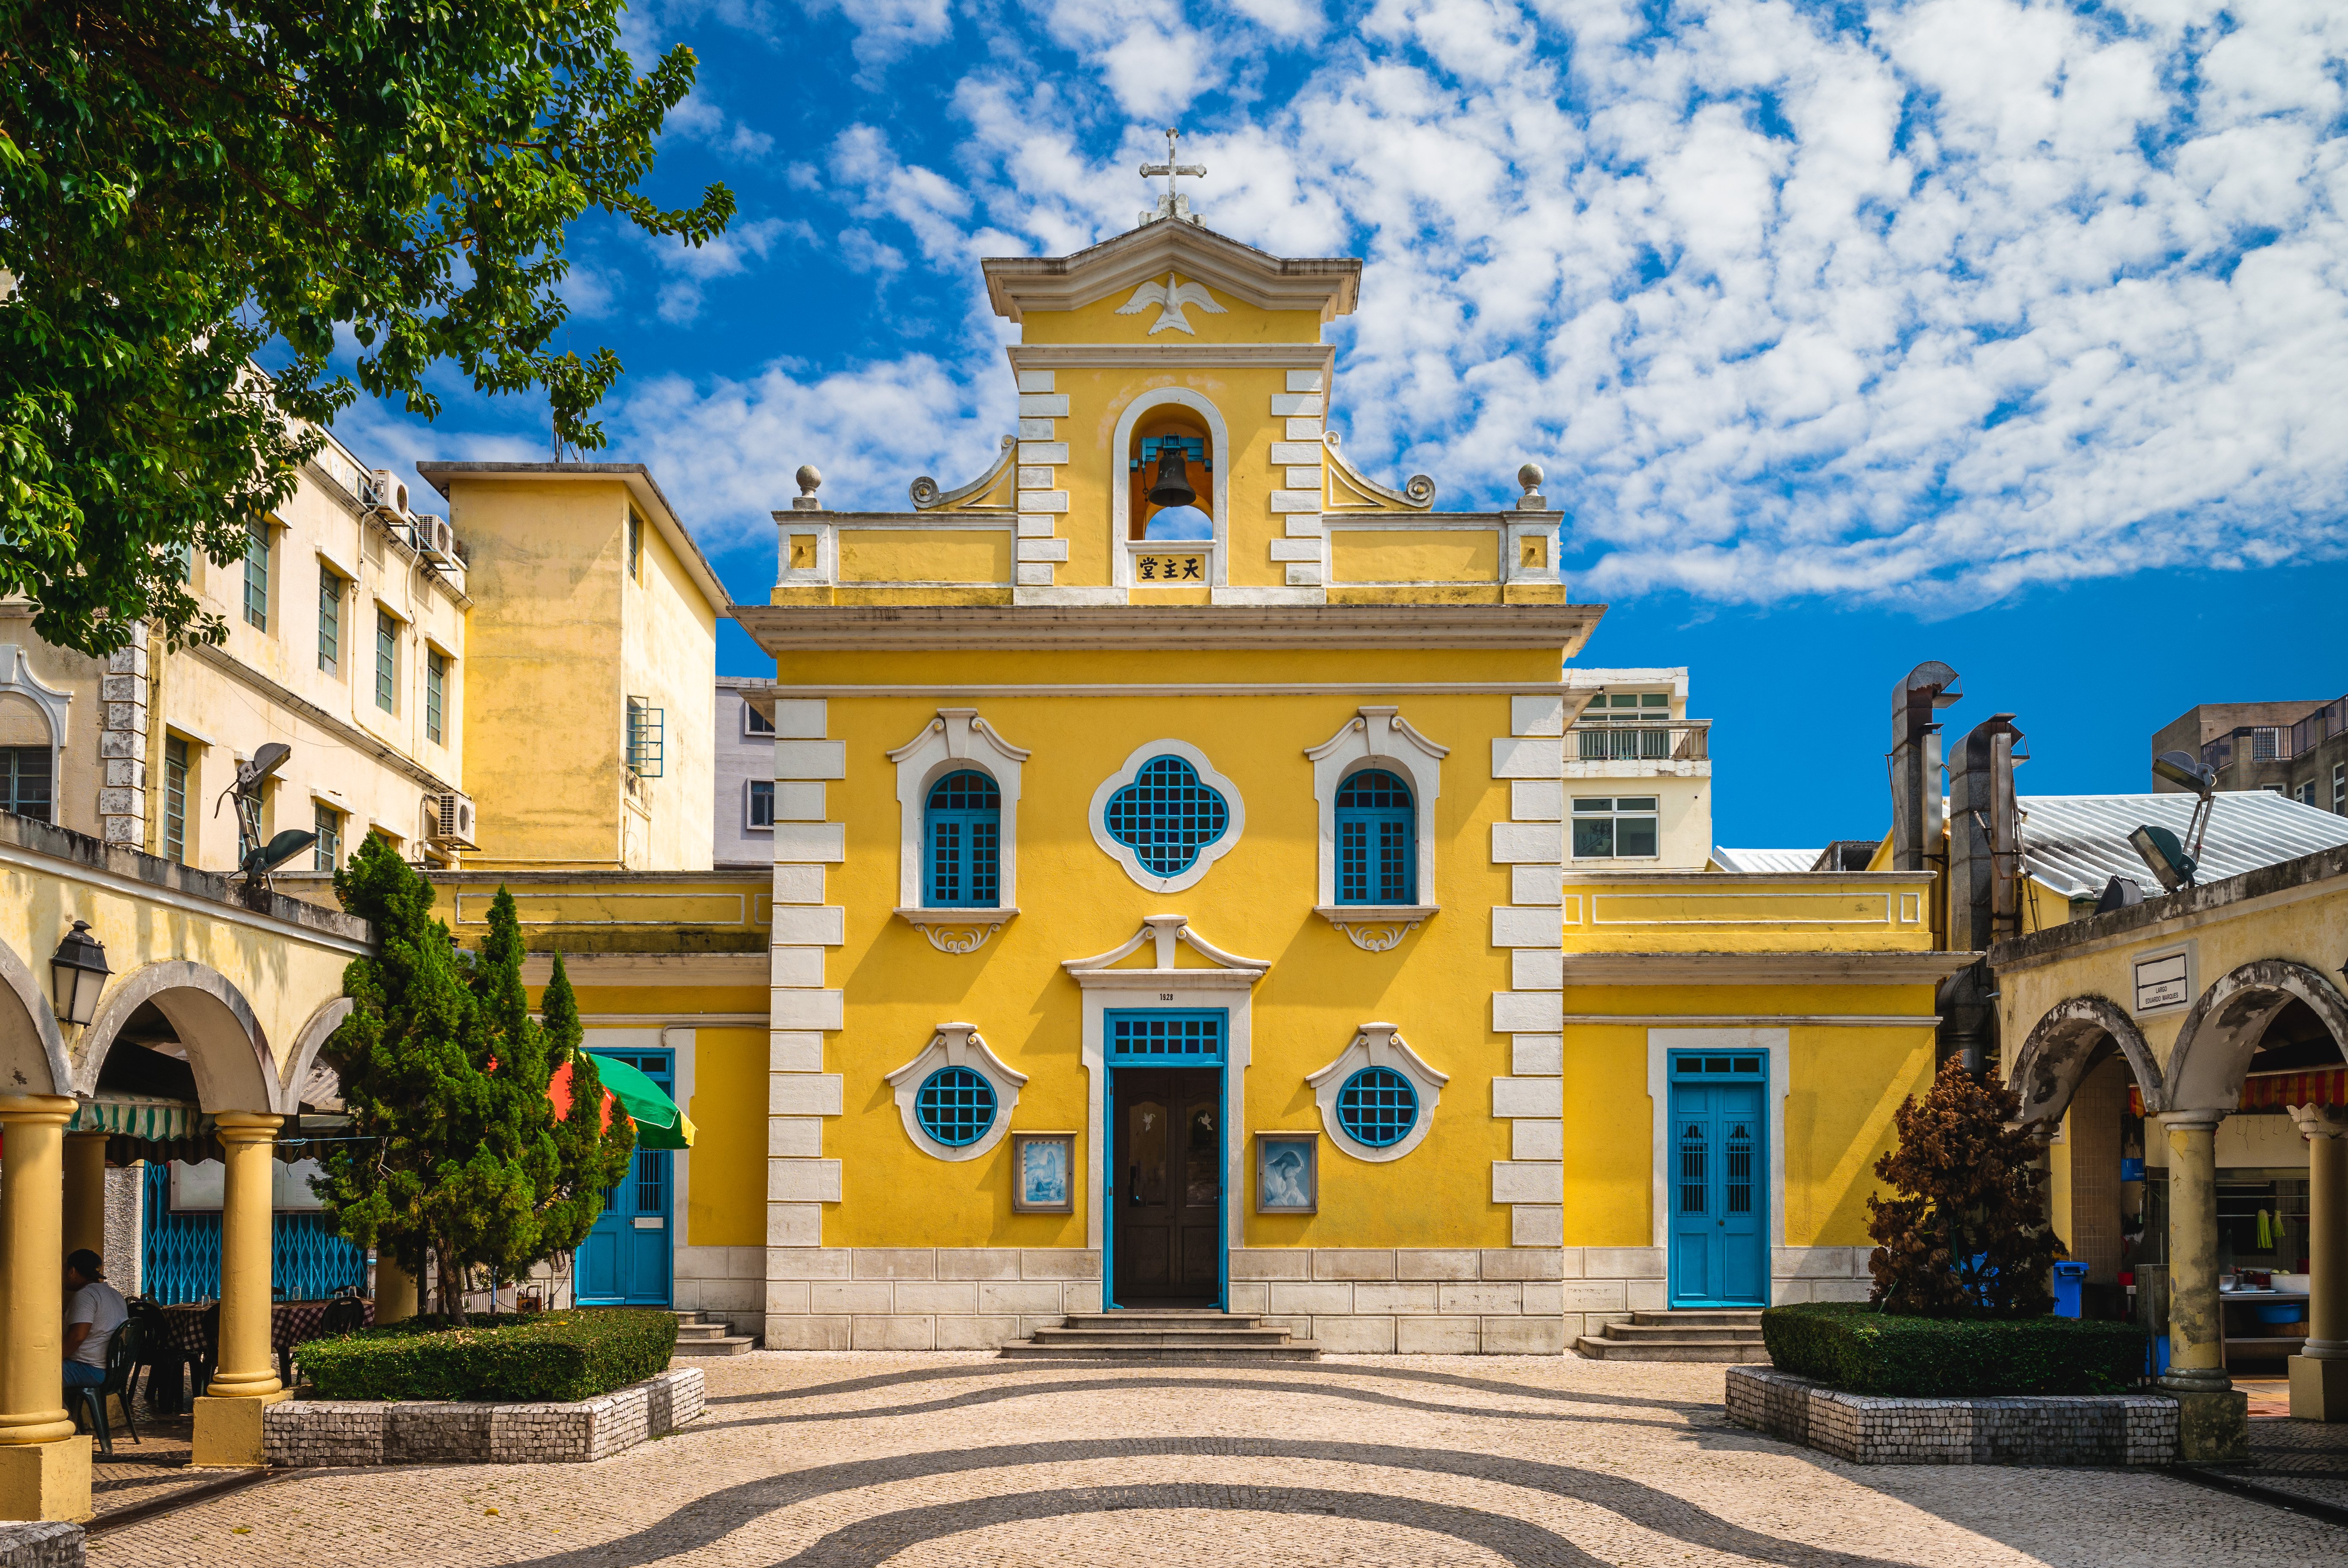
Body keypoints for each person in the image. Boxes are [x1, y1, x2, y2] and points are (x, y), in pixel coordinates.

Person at [63, 1249, 128, 1391]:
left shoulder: (86, 1295)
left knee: (35, 1374)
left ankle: (65, 1414)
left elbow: (77, 1337)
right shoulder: (115, 1294)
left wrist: (53, 1359)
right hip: (113, 1370)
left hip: (90, 1370)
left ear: (72, 1271)